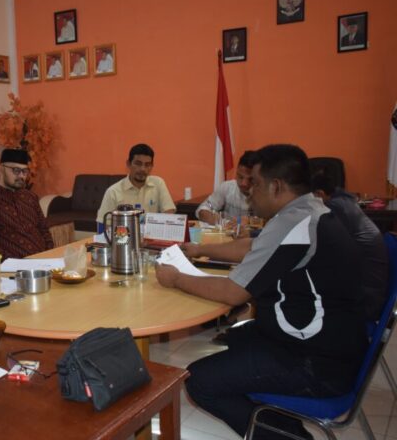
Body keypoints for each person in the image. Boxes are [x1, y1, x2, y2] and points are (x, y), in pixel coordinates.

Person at [157, 144, 367, 439]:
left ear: (276, 186)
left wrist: (177, 279)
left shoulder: (294, 224)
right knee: (237, 337)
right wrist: (201, 249)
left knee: (200, 380)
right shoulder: (309, 210)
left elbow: (233, 293)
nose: (248, 192)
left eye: (254, 184)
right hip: (332, 344)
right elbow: (253, 246)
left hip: (317, 363)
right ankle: (278, 425)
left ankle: (286, 437)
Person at [311, 172, 388, 321]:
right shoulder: (344, 201)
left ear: (320, 194)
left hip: (364, 301)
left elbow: (325, 249)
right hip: (365, 290)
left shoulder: (335, 207)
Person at [0, 149, 54, 259]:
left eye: (25, 171)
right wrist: (16, 263)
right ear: (0, 168)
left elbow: (44, 230)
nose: (21, 176)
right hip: (10, 266)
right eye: (16, 170)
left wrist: (49, 254)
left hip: (44, 262)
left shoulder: (31, 197)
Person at [96, 143, 176, 229]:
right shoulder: (113, 192)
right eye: (138, 163)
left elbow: (169, 212)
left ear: (152, 166)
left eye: (147, 165)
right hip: (124, 236)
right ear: (128, 164)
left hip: (152, 235)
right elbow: (103, 224)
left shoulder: (158, 183)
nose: (143, 169)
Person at [196, 150, 256, 225]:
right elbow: (203, 208)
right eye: (240, 177)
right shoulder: (227, 188)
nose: (244, 183)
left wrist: (250, 221)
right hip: (227, 230)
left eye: (250, 179)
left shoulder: (266, 195)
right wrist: (210, 217)